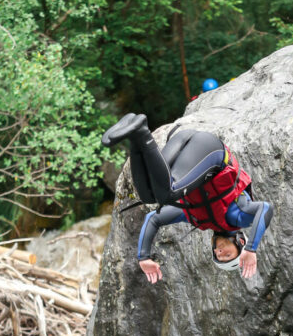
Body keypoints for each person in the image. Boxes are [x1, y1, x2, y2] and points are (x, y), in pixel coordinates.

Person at [101, 113, 272, 283]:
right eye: (228, 254)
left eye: (219, 256)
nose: (220, 252)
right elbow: (265, 208)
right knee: (170, 192)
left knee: (148, 196)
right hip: (209, 149)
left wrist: (143, 257)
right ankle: (143, 133)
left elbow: (153, 219)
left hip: (183, 140)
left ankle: (136, 134)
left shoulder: (199, 218)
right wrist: (251, 250)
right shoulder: (237, 218)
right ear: (239, 241)